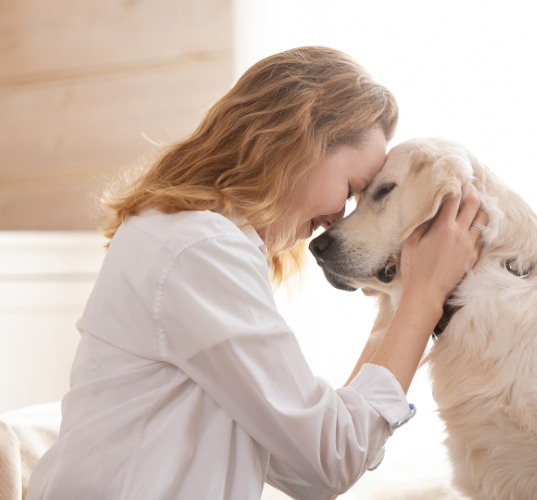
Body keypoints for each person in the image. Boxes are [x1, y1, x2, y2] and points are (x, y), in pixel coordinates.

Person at [26, 46, 485, 500]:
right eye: (350, 189)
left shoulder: (184, 236)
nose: (336, 219)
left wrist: (401, 301)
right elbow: (332, 459)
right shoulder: (200, 249)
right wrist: (423, 299)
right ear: (299, 142)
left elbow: (305, 471)